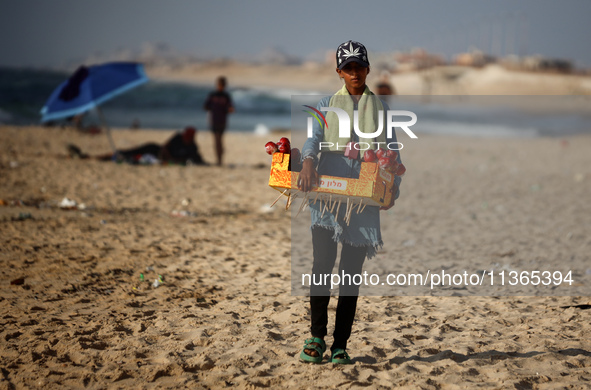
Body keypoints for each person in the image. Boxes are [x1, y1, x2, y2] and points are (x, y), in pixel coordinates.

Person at [297, 41, 403, 364]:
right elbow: (314, 138)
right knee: (321, 265)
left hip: (364, 199)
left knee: (350, 273)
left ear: (368, 69)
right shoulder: (327, 104)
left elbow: (393, 153)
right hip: (328, 195)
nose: (354, 73)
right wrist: (308, 161)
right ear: (340, 72)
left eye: (360, 67)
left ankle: (340, 343)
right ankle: (316, 337)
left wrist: (392, 189)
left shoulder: (381, 110)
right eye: (348, 68)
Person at [70, 126, 207, 165]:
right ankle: (97, 156)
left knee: (130, 156)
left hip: (160, 157)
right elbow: (165, 147)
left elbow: (196, 159)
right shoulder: (178, 138)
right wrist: (168, 156)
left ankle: (98, 157)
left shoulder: (192, 147)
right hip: (154, 149)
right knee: (129, 152)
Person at [204, 76, 234, 166]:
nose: (220, 86)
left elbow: (230, 107)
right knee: (217, 140)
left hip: (222, 121)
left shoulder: (226, 96)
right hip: (213, 120)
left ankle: (219, 159)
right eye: (219, 85)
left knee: (219, 140)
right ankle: (219, 159)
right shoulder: (213, 95)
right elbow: (205, 106)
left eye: (222, 85)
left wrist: (228, 109)